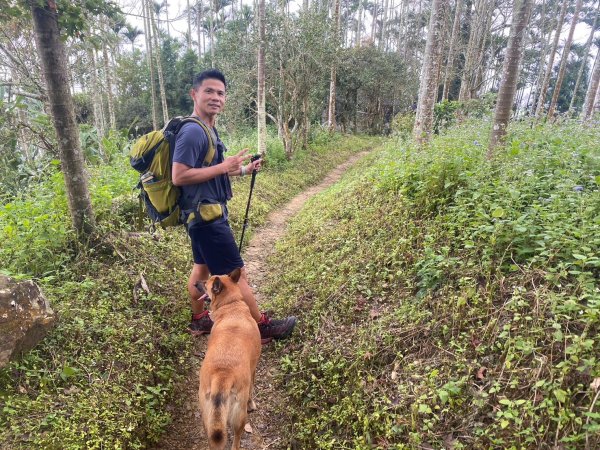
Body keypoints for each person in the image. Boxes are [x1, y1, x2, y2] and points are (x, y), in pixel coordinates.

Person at [172, 69, 297, 343]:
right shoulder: (193, 132)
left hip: (200, 217)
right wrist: (223, 166)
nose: (215, 97)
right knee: (237, 276)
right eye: (209, 91)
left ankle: (198, 320)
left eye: (220, 93)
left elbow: (209, 170)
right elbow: (179, 175)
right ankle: (261, 326)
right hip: (208, 219)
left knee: (201, 272)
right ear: (194, 94)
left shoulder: (207, 128)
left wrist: (240, 170)